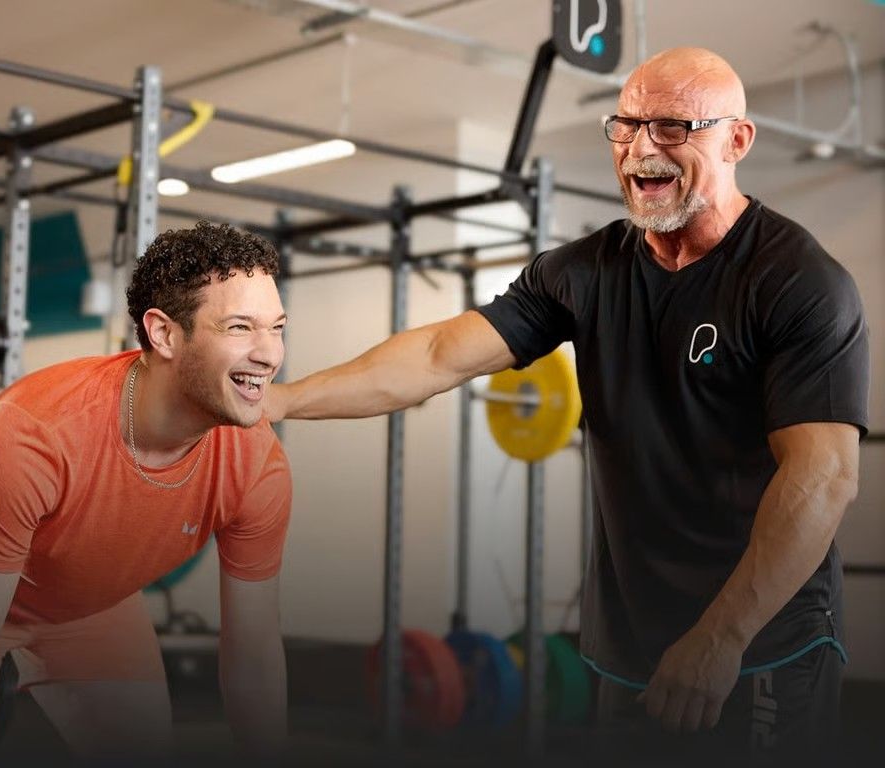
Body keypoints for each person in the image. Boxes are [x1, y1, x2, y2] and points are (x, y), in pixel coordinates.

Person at [266, 47, 868, 757]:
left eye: (675, 127)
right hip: (632, 637)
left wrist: (721, 637)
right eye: (628, 125)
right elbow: (435, 356)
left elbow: (823, 478)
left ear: (737, 140)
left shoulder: (797, 281)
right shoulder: (582, 271)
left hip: (762, 638)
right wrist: (279, 402)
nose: (644, 148)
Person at [0, 221, 291, 760]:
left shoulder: (257, 466)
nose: (270, 354)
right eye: (239, 328)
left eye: (277, 327)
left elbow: (252, 651)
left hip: (78, 593)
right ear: (163, 334)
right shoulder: (37, 432)